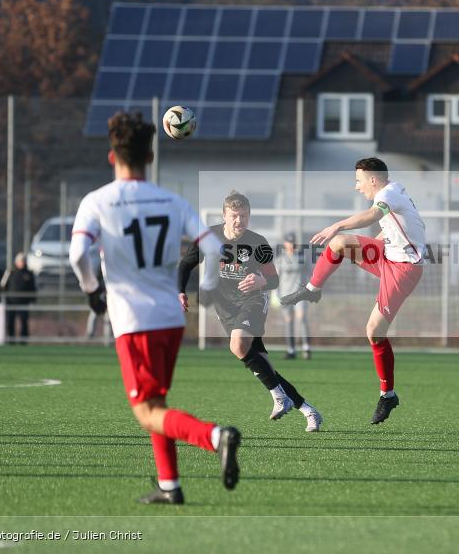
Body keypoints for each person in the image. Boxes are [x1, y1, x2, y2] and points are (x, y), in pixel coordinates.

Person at [69, 111, 241, 505]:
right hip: (169, 317)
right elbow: (214, 248)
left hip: (133, 320)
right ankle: (169, 485)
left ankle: (216, 437)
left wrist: (92, 291)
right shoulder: (173, 201)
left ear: (112, 157)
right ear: (149, 157)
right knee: (157, 403)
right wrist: (207, 288)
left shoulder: (97, 201)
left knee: (146, 410)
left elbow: (78, 254)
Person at [281, 157, 425, 424]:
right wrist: (361, 243)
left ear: (373, 180)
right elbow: (389, 230)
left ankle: (388, 395)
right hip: (388, 256)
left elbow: (372, 216)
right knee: (338, 244)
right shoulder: (392, 190)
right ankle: (312, 289)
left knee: (374, 331)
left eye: (359, 180)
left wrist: (337, 224)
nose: (357, 186)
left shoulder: (387, 194)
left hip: (403, 270)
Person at [178, 192, 323, 433]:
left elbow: (274, 280)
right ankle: (308, 410)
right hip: (226, 307)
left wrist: (260, 281)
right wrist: (180, 291)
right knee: (265, 367)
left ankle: (279, 397)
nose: (239, 221)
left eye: (244, 216)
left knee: (237, 345)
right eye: (234, 216)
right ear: (224, 216)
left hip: (253, 300)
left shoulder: (258, 242)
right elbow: (185, 264)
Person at [275, 232, 312, 360]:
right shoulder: (280, 260)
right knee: (288, 321)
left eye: (293, 242)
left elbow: (310, 274)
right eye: (289, 242)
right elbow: (276, 279)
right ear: (285, 243)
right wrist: (276, 294)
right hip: (286, 294)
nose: (291, 245)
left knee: (301, 318)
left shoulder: (302, 257)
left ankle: (306, 348)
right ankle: (291, 350)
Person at [0, 252, 37, 342]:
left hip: (24, 302)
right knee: (10, 321)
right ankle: (11, 340)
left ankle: (23, 341)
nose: (22, 263)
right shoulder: (10, 272)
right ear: (16, 262)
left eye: (23, 261)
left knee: (24, 322)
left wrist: (33, 299)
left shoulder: (29, 273)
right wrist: (5, 298)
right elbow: (2, 286)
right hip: (11, 302)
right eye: (20, 261)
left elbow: (33, 288)